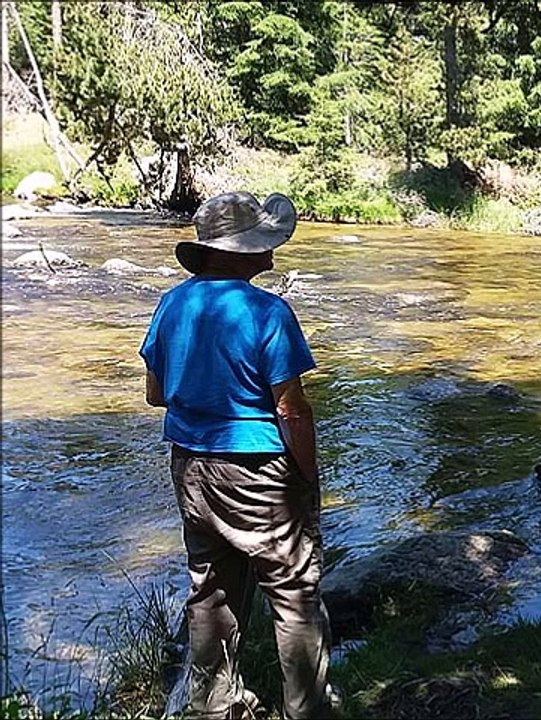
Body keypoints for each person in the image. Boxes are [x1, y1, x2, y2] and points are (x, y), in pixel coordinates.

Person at [140, 192, 335, 718]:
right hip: (257, 470)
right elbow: (292, 411)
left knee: (210, 590)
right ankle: (308, 710)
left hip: (190, 465)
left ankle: (212, 704)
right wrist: (308, 478)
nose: (270, 251)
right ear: (241, 251)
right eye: (261, 242)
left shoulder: (172, 304)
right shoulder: (268, 312)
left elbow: (156, 394)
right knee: (293, 589)